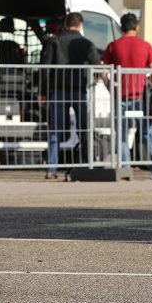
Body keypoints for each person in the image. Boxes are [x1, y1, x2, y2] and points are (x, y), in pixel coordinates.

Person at [39, 12, 100, 180]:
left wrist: (43, 92)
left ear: (66, 24)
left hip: (58, 91)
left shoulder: (54, 42)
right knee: (83, 129)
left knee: (55, 130)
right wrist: (94, 79)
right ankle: (86, 164)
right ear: (80, 25)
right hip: (79, 90)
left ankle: (52, 168)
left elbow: (45, 69)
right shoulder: (86, 43)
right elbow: (97, 64)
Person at [102, 13, 152, 168]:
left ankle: (126, 168)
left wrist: (110, 89)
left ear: (121, 28)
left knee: (121, 135)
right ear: (137, 27)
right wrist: (151, 89)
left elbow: (103, 72)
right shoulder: (146, 45)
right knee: (149, 132)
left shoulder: (113, 46)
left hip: (120, 96)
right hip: (140, 96)